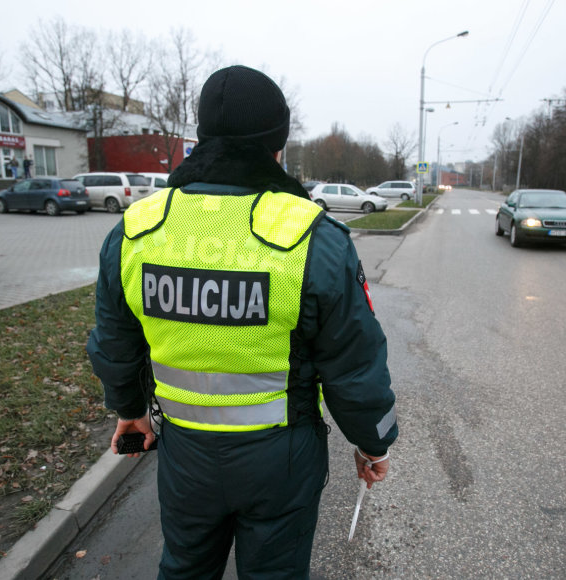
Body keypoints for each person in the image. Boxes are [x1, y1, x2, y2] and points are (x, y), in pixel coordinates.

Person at [87, 64, 397, 579]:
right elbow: (354, 363)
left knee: (185, 568)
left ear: (203, 136)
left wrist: (129, 409)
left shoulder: (137, 230)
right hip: (281, 459)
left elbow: (114, 342)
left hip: (185, 456)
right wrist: (371, 442)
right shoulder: (312, 237)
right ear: (277, 144)